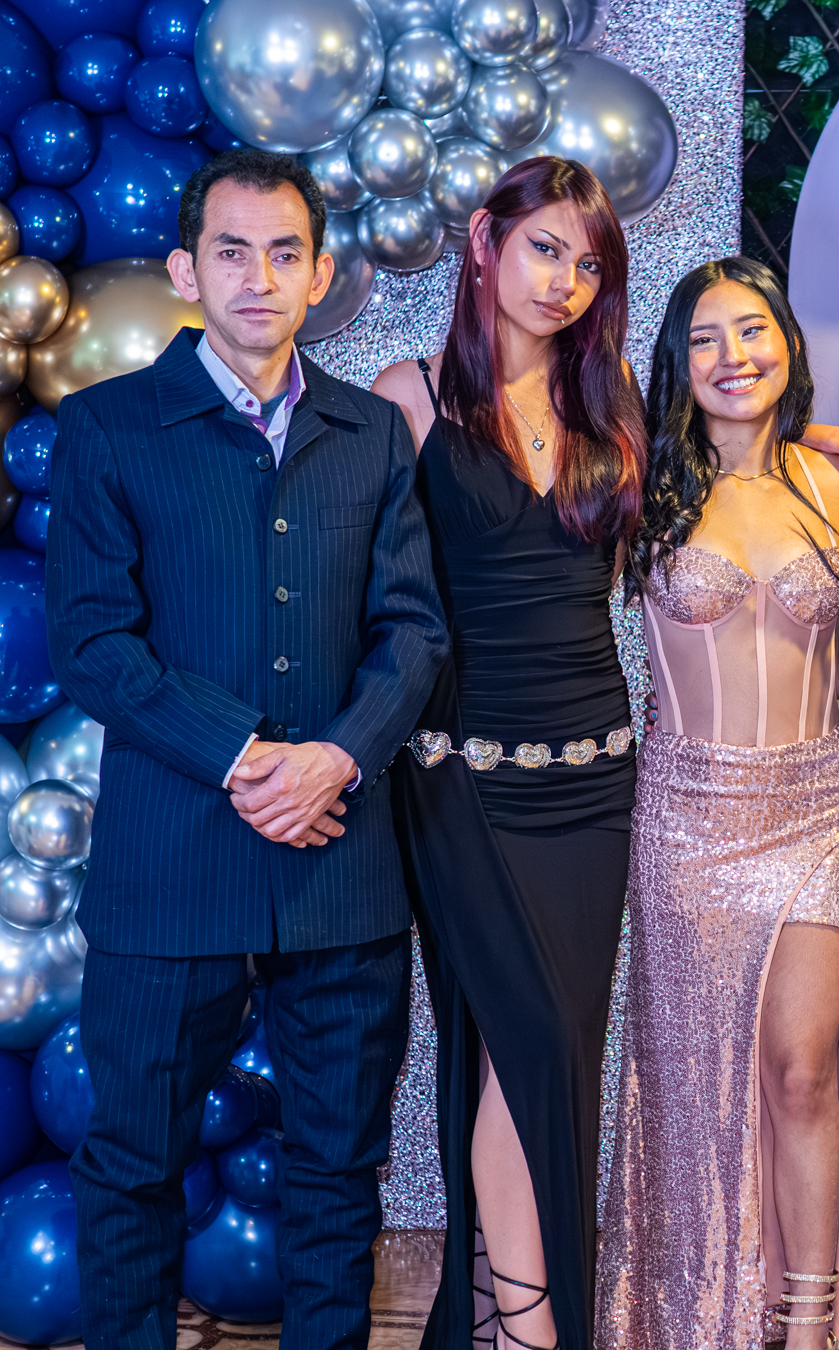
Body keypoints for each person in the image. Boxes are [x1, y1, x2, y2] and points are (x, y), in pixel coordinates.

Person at [47, 148, 447, 1350]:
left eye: (284, 253)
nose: (258, 278)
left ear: (321, 274)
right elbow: (93, 643)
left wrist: (334, 759)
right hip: (169, 870)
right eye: (232, 251)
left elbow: (414, 630)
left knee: (338, 1174)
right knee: (132, 1168)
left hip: (341, 869)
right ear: (186, 270)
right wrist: (249, 758)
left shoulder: (372, 433)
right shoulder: (108, 428)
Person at [373, 155, 645, 1350]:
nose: (565, 281)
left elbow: (703, 510)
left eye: (587, 264)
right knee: (526, 1046)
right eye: (545, 248)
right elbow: (359, 596)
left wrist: (821, 448)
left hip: (596, 781)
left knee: (550, 1054)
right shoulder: (409, 397)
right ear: (485, 240)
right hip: (461, 783)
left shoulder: (612, 400)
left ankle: (505, 1324)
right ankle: (537, 1335)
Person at [598, 257, 839, 1350]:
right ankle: (693, 1315)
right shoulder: (636, 485)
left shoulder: (838, 483)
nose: (733, 356)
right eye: (704, 338)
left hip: (814, 807)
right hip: (686, 816)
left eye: (752, 330)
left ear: (788, 343)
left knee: (803, 1071)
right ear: (676, 363)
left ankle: (807, 1322)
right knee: (698, 1090)